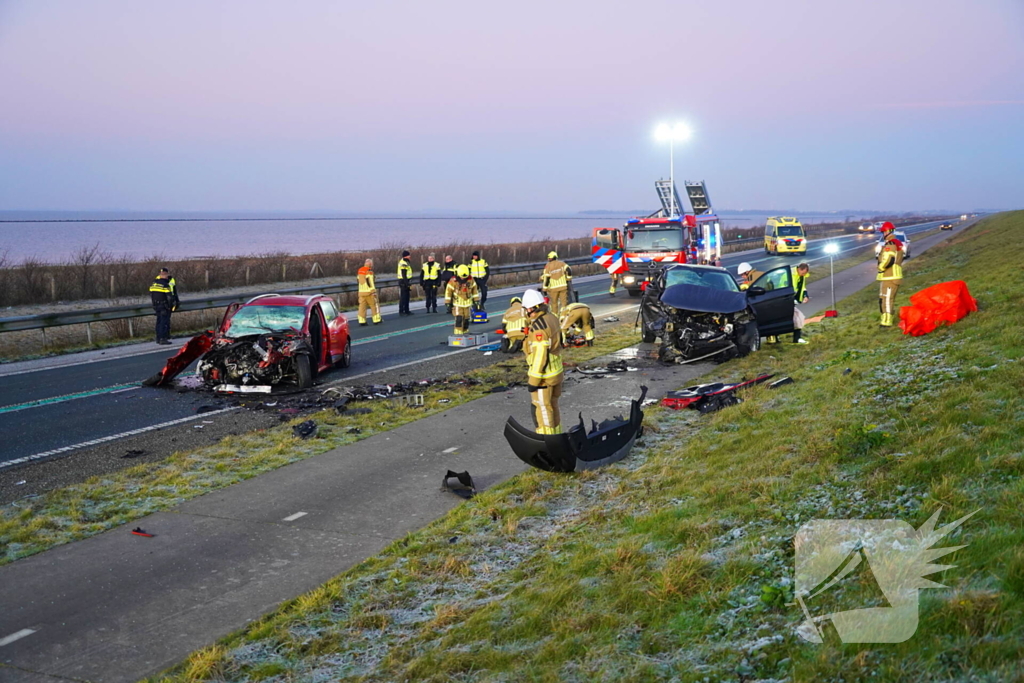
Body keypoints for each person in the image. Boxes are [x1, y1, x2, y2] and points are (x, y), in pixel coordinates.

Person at [521, 289, 564, 435]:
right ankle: (557, 435)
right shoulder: (551, 317)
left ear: (531, 308)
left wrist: (534, 380)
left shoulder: (539, 328)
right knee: (553, 405)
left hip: (544, 376)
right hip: (556, 371)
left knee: (543, 408)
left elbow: (540, 356)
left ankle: (548, 441)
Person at [767, 262, 811, 344]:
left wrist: (805, 295)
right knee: (795, 318)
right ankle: (794, 338)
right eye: (803, 273)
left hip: (790, 301)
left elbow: (802, 287)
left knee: (796, 318)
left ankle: (791, 338)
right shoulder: (789, 275)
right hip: (785, 301)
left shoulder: (801, 276)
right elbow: (784, 288)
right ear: (799, 269)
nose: (804, 275)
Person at [877, 221, 904, 327]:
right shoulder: (896, 242)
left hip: (890, 276)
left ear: (888, 231)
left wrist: (880, 267)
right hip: (890, 276)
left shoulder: (891, 244)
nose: (882, 234)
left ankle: (887, 322)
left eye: (883, 232)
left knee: (887, 299)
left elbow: (889, 259)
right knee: (884, 298)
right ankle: (885, 319)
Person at [444, 264, 480, 335]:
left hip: (467, 303)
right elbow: (448, 292)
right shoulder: (453, 281)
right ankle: (458, 332)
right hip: (457, 303)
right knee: (459, 318)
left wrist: (476, 300)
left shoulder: (471, 280)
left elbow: (475, 291)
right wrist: (447, 302)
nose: (463, 279)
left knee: (466, 318)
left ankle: (465, 331)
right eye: (462, 277)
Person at [149, 267, 179, 344]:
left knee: (159, 322)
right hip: (164, 305)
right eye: (164, 274)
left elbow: (151, 295)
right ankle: (163, 338)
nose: (164, 276)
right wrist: (170, 306)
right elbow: (169, 296)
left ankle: (158, 338)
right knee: (163, 322)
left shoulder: (154, 283)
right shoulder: (165, 284)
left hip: (156, 305)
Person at [541, 251, 572, 315]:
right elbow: (568, 270)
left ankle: (555, 317)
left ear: (550, 258)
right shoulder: (562, 264)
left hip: (553, 289)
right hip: (563, 286)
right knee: (564, 303)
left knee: (554, 303)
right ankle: (564, 315)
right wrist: (568, 279)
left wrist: (544, 289)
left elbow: (546, 278)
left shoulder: (547, 266)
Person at [357, 258, 382, 326]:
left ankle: (362, 321)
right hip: (369, 292)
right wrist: (373, 291)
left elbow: (358, 280)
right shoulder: (369, 271)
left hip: (361, 292)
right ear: (370, 264)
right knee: (374, 305)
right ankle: (376, 319)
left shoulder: (360, 270)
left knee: (362, 307)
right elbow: (370, 282)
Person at [397, 250, 414, 316]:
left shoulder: (406, 262)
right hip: (403, 281)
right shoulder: (403, 263)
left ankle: (407, 310)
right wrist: (407, 284)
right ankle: (401, 311)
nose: (410, 256)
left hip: (406, 281)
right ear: (406, 256)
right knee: (403, 297)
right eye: (409, 255)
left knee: (407, 297)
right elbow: (404, 274)